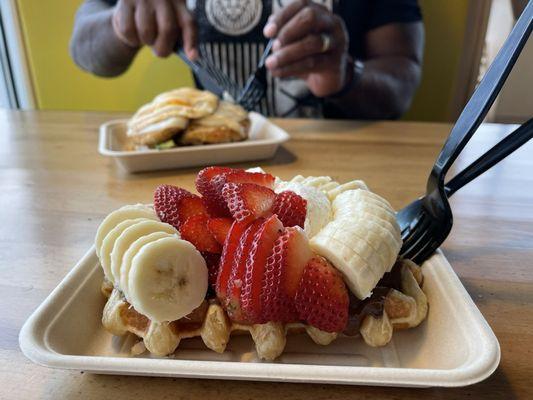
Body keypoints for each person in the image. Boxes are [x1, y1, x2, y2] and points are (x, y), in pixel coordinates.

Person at [70, 0, 424, 119]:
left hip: (346, 166)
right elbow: (84, 48)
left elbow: (402, 78)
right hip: (207, 167)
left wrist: (346, 74)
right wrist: (123, 21)